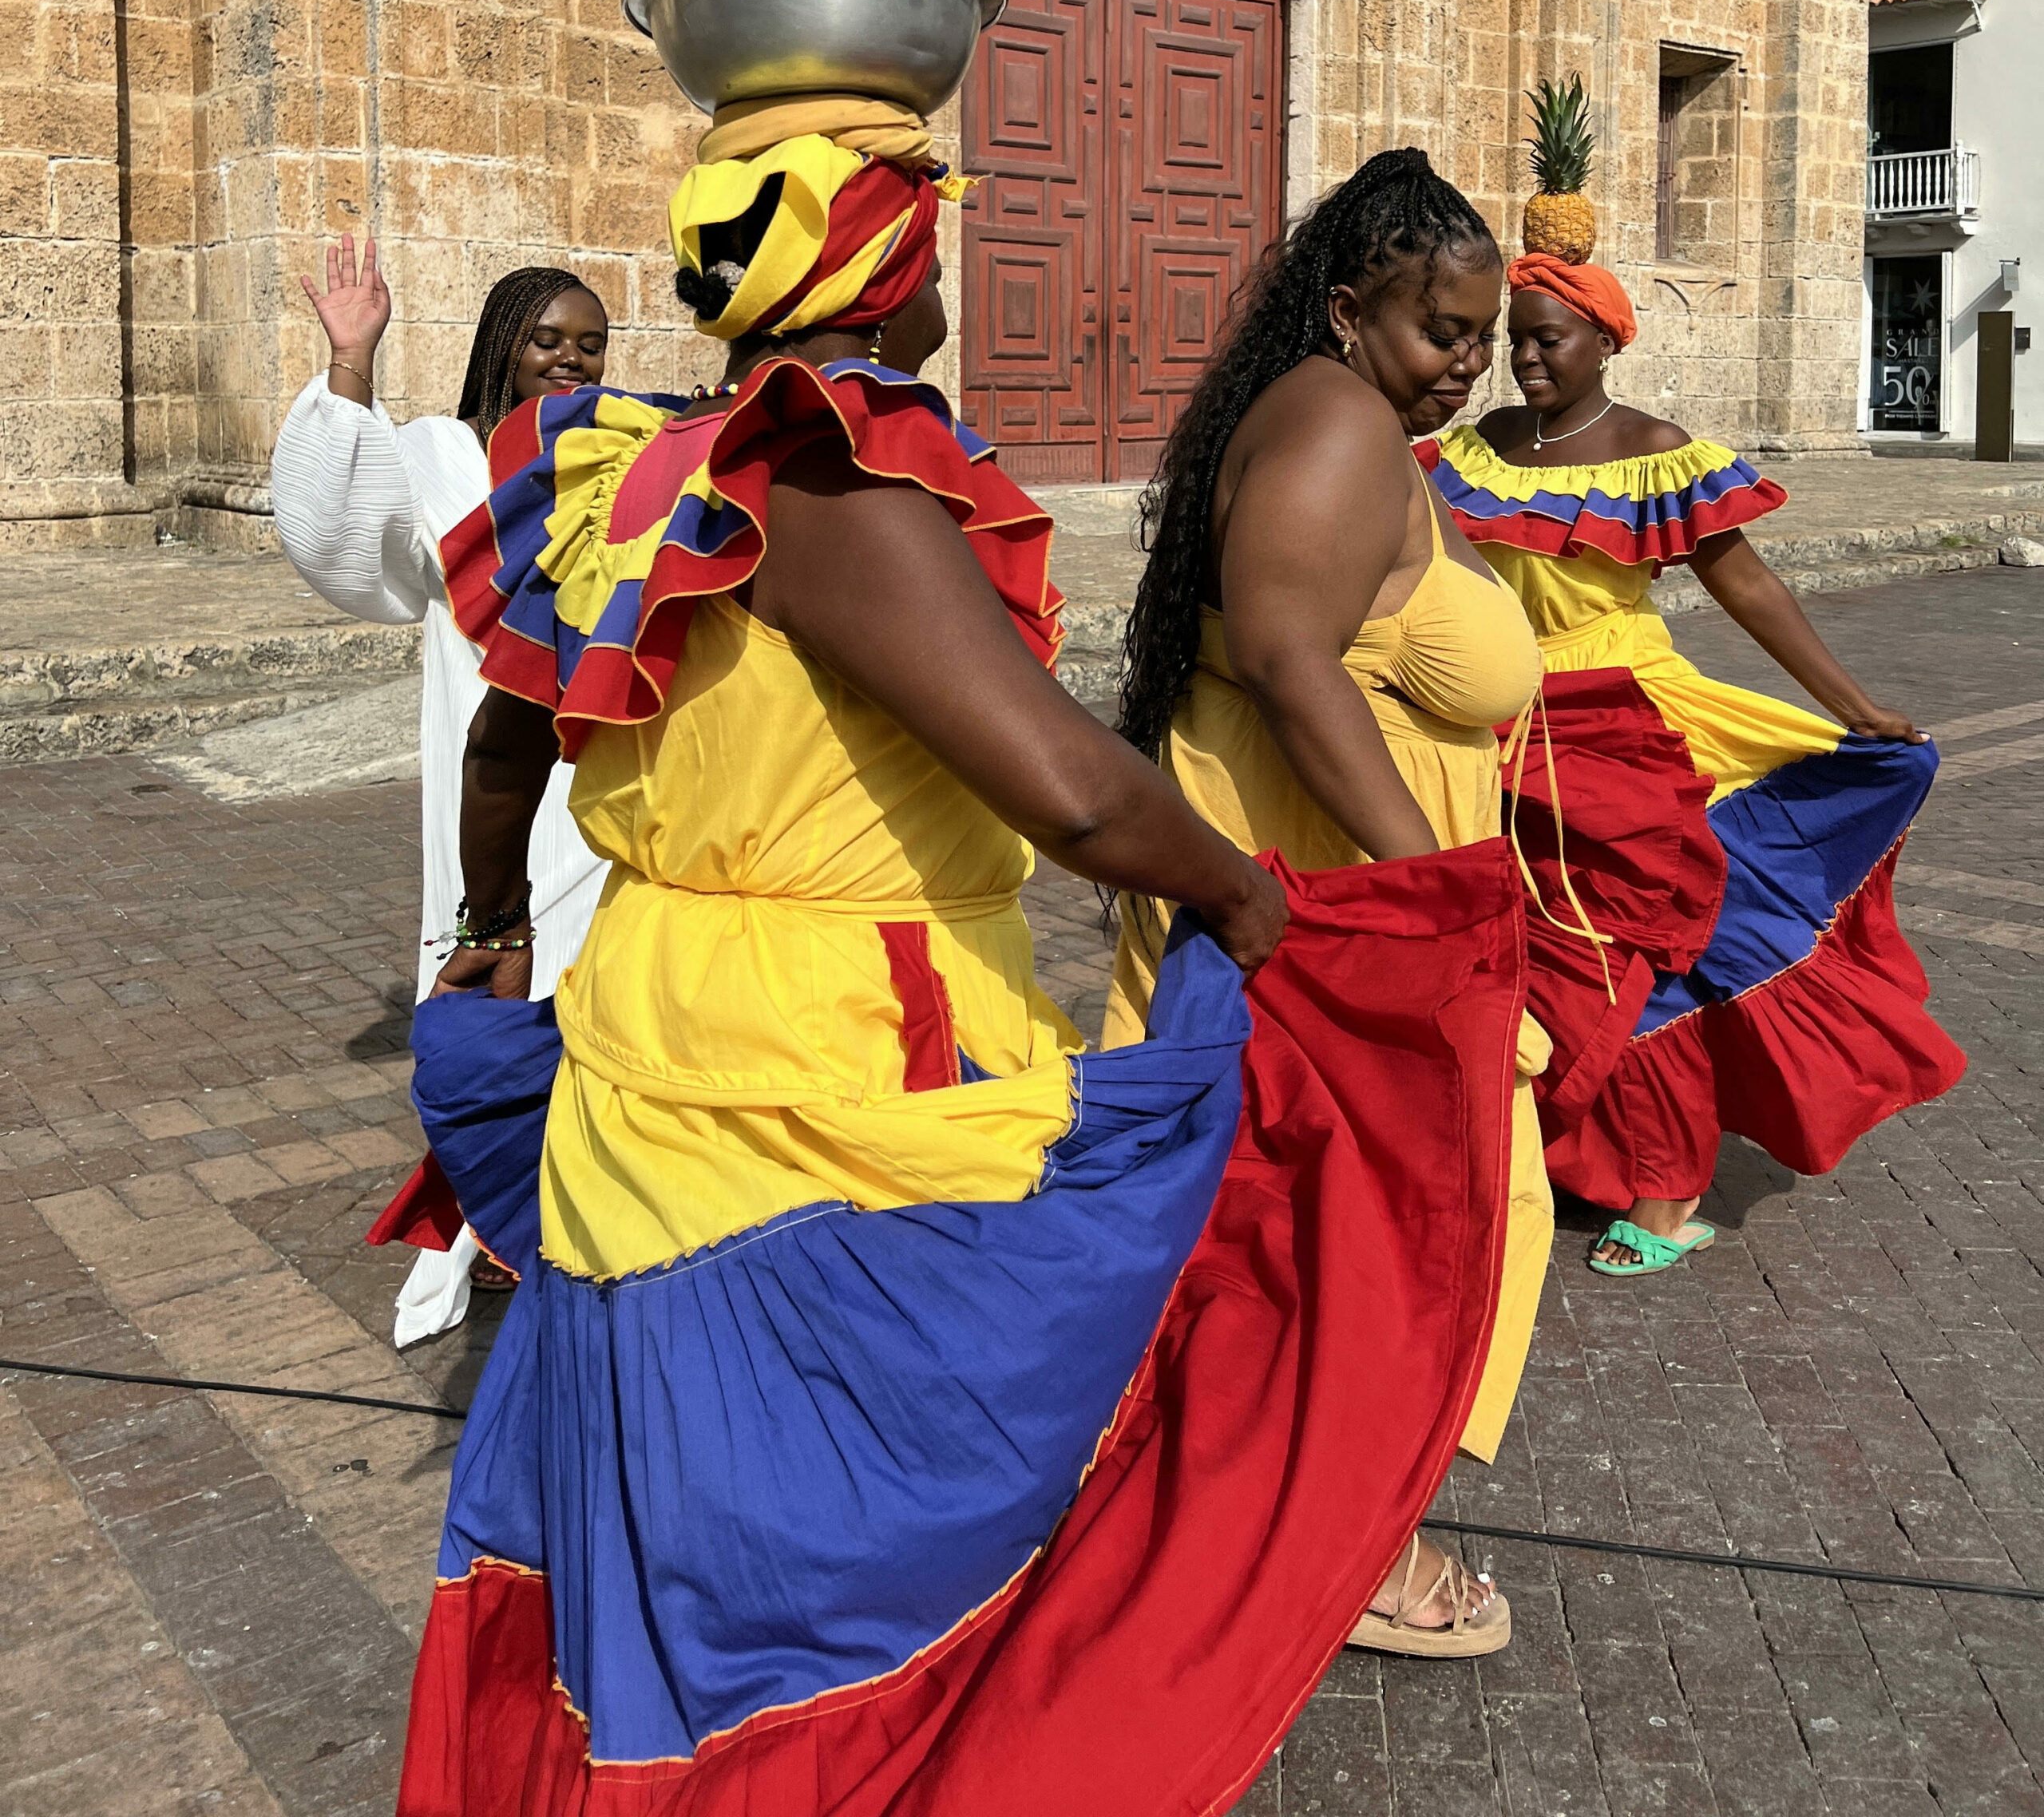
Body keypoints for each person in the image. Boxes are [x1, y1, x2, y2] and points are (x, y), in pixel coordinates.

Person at [395, 109, 1539, 1815]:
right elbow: (1072, 793)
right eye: (928, 224)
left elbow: (508, 731)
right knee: (870, 1516)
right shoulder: (832, 480)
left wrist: (489, 924)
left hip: (656, 1031)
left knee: (686, 1486)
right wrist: (1246, 897)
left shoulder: (639, 462)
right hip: (830, 1065)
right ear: (884, 264)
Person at [1109, 146, 1557, 1652]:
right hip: (1336, 926)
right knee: (1410, 1231)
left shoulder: (1336, 415)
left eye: (1484, 343)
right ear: (1352, 309)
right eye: (1443, 334)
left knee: (1311, 1232)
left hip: (1319, 910)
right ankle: (1365, 1549)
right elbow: (1299, 665)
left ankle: (1289, 1517)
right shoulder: (1340, 426)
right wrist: (1432, 902)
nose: (1465, 368)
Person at [1422, 251, 1966, 1274]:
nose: (1527, 357)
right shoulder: (1479, 444)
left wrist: (1853, 706)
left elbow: (1746, 587)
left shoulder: (1653, 450)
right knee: (1551, 952)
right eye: (1518, 336)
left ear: (1605, 340)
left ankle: (1668, 1193)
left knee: (1663, 939)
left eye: (1551, 337)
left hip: (1631, 722)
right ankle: (1569, 1146)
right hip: (1498, 725)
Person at [272, 244, 613, 1331]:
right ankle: (507, 1214)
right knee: (504, 984)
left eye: (590, 343)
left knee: (600, 991)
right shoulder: (436, 454)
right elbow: (349, 536)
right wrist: (353, 360)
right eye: (547, 338)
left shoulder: (614, 458)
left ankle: (592, 1197)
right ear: (503, 344)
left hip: (599, 772)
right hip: (492, 775)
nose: (569, 358)